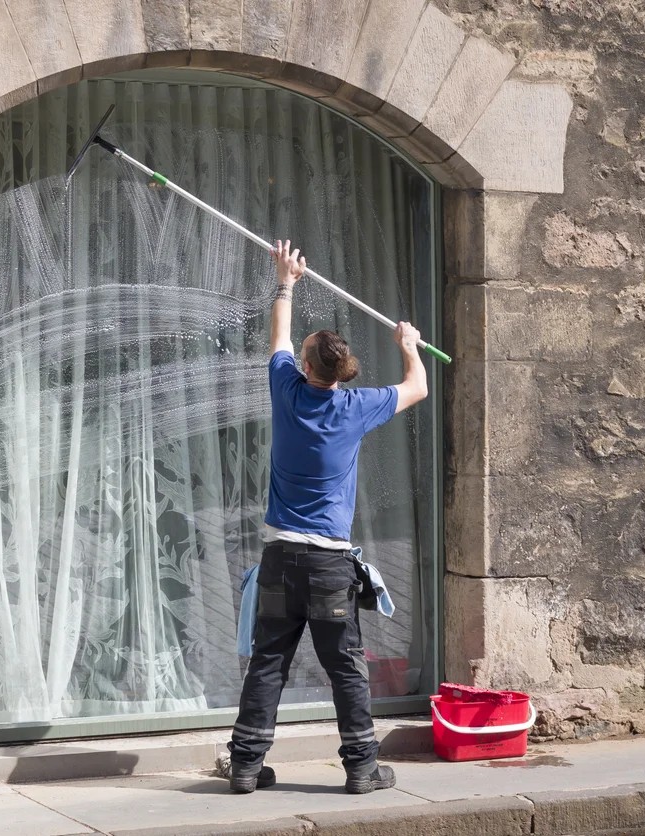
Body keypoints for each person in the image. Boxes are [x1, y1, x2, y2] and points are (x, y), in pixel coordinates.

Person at [227, 239, 429, 795]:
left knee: (269, 662)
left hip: (280, 560)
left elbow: (279, 338)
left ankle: (245, 766)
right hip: (329, 567)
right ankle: (362, 769)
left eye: (304, 352)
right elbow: (419, 386)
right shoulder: (355, 407)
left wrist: (286, 281)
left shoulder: (286, 391)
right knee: (344, 667)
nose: (297, 354)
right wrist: (408, 344)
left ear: (308, 367)